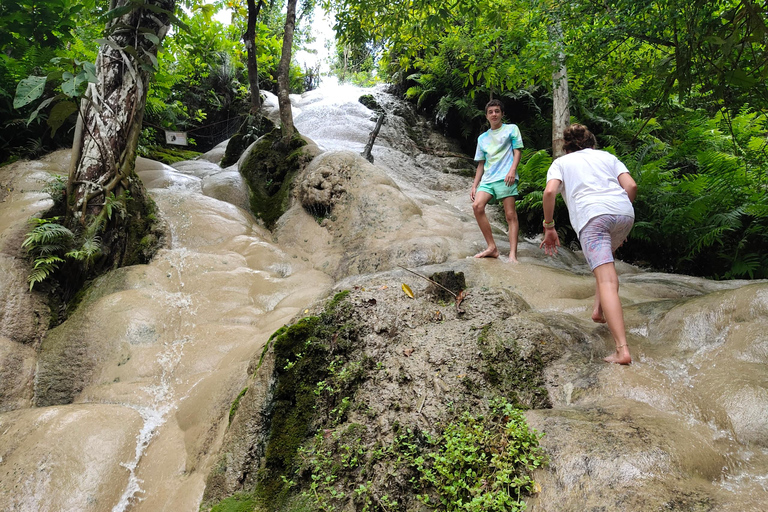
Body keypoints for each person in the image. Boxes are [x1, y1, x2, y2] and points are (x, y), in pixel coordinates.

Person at [540, 124, 637, 365]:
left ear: (567, 147)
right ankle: (598, 310)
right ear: (592, 143)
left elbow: (550, 192)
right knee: (605, 265)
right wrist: (622, 221)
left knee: (606, 278)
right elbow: (631, 186)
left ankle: (621, 350)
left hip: (592, 217)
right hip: (624, 213)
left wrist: (549, 225)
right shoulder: (607, 156)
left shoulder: (561, 163)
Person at [471, 99, 524, 262]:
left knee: (510, 215)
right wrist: (475, 185)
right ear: (486, 116)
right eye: (490, 112)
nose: (494, 114)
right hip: (488, 179)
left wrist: (512, 170)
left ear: (502, 114)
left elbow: (517, 151)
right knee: (477, 206)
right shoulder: (482, 138)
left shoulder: (511, 129)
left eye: (497, 111)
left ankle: (512, 254)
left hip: (505, 177)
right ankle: (492, 247)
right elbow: (481, 163)